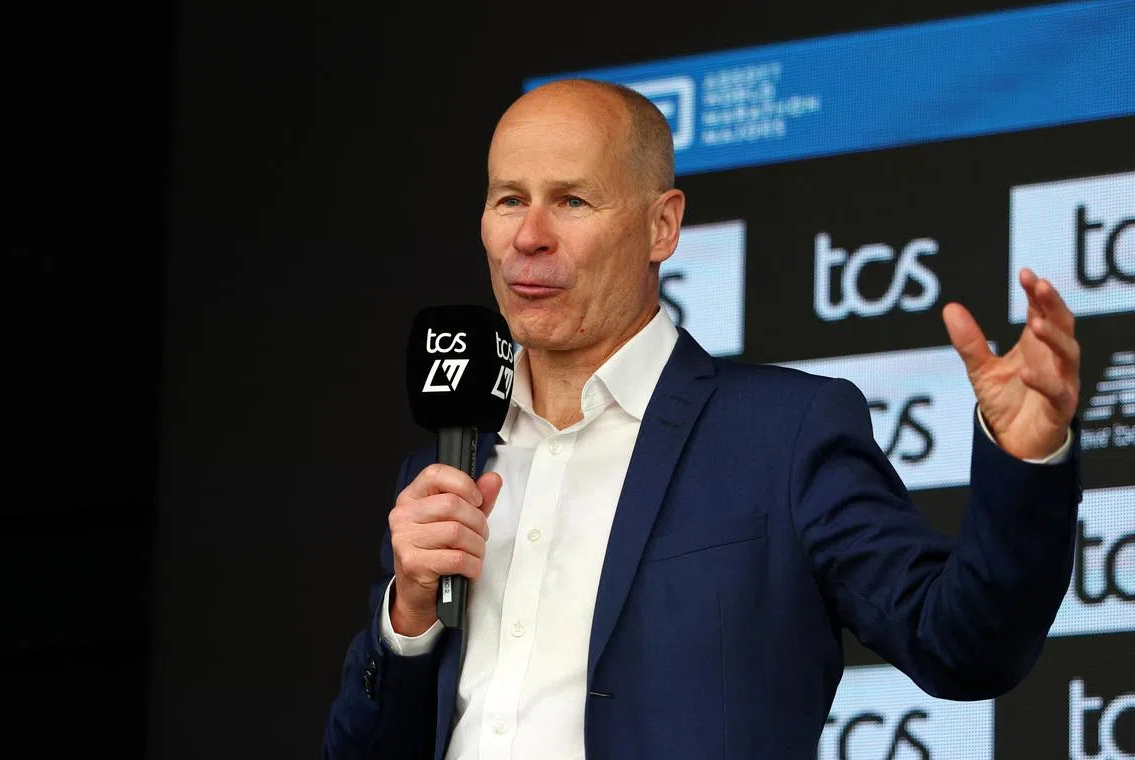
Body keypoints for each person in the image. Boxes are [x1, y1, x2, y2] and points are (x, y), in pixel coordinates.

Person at [321, 78, 1082, 760]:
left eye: (573, 200)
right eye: (509, 199)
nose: (530, 236)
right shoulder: (444, 471)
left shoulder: (783, 434)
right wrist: (409, 619)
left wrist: (1027, 463)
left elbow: (963, 644)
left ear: (662, 226)